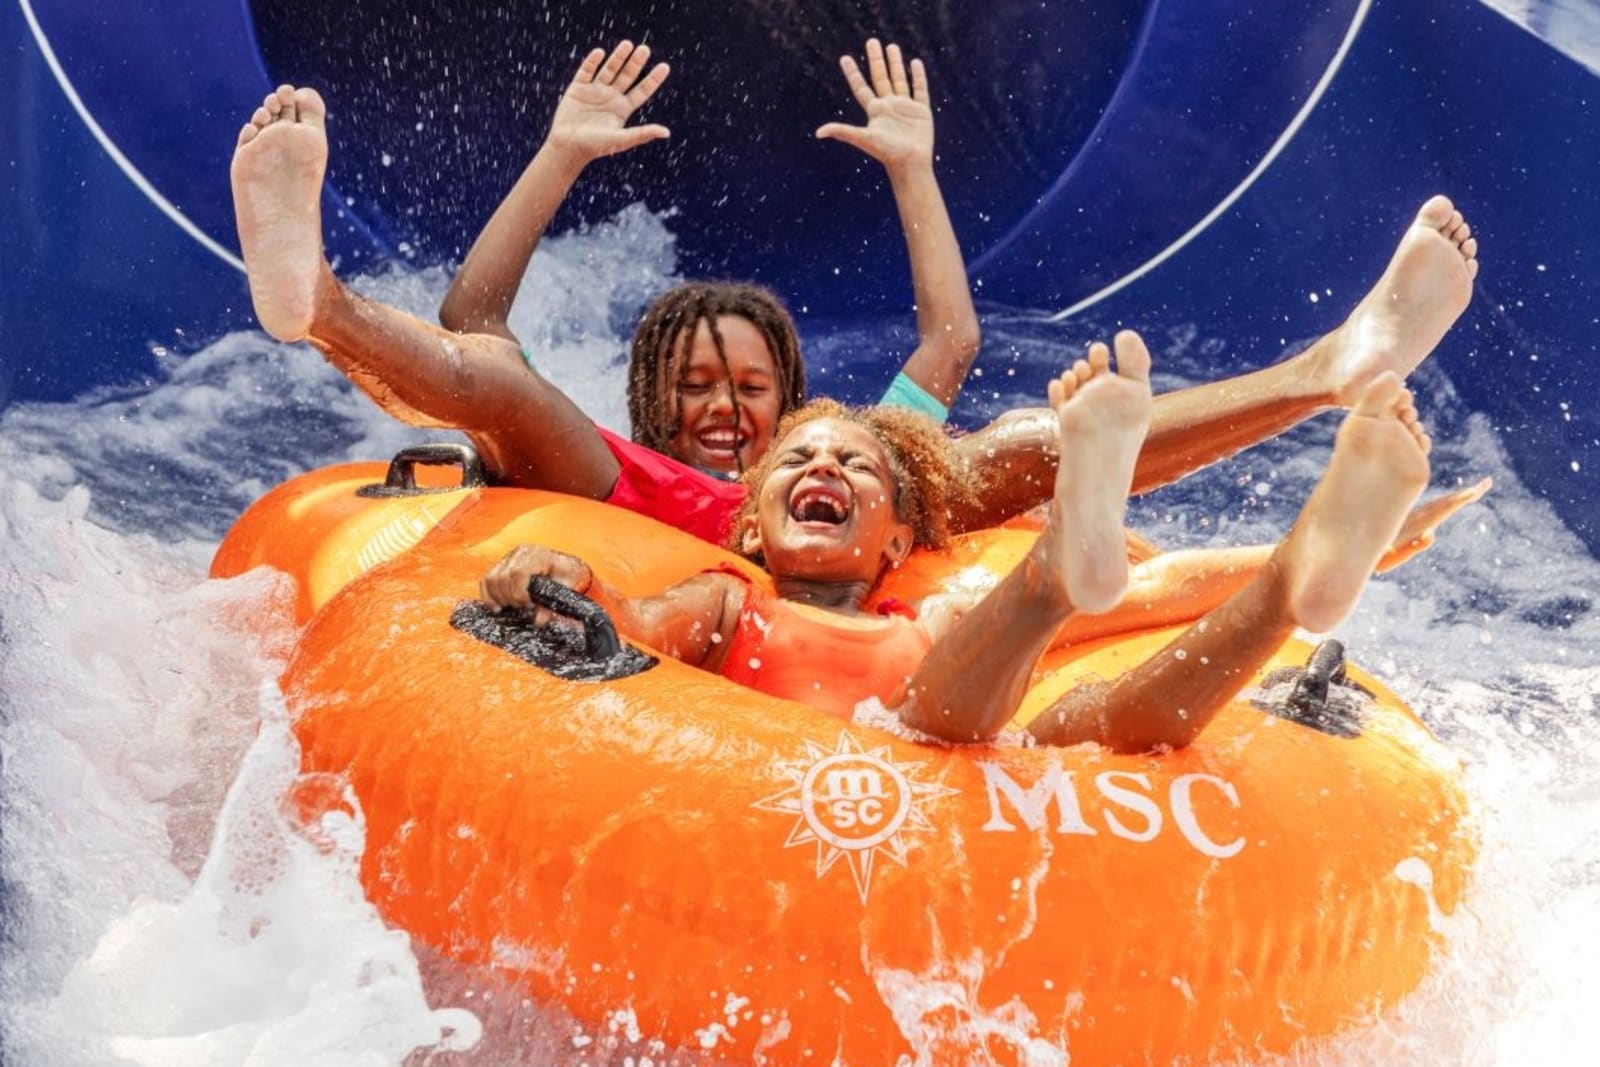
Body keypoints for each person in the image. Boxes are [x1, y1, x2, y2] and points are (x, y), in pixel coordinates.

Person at [229, 47, 1480, 545]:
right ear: (652, 401)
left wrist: (918, 172)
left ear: (789, 395)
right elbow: (470, 326)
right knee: (493, 378)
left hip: (834, 523)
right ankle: (313, 302)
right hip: (658, 524)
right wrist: (559, 154)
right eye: (700, 385)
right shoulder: (624, 468)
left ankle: (1329, 364)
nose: (725, 405)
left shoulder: (839, 451)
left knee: (1020, 442)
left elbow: (951, 337)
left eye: (750, 385)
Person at [480, 333, 1447, 751]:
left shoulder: (929, 613)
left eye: (857, 468)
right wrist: (563, 581)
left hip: (963, 729)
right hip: (903, 735)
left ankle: (1297, 576)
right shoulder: (737, 604)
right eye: (798, 461)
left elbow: (1160, 594)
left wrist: (1344, 551)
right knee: (942, 714)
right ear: (749, 527)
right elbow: (632, 625)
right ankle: (1062, 564)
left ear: (899, 536)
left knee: (1102, 720)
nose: (825, 469)